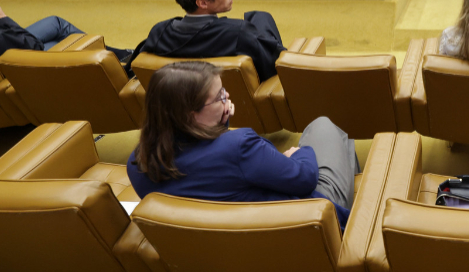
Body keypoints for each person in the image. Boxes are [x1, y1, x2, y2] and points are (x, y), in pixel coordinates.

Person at [127, 62, 357, 229]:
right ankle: (355, 219)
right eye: (219, 97)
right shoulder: (240, 146)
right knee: (323, 127)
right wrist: (299, 154)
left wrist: (222, 119)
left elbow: (212, 169)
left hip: (227, 244)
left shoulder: (138, 162)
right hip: (301, 223)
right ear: (189, 115)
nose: (227, 98)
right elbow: (304, 177)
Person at [127, 0, 285, 82]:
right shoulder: (238, 33)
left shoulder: (160, 31)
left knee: (258, 17)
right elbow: (274, 64)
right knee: (261, 17)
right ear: (202, 2)